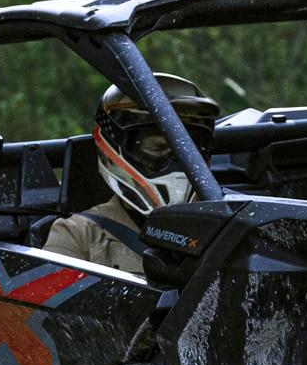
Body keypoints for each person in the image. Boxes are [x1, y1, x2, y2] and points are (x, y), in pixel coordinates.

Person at [45, 74, 219, 273]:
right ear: (115, 147)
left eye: (188, 151)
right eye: (156, 148)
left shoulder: (223, 230)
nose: (175, 162)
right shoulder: (79, 235)